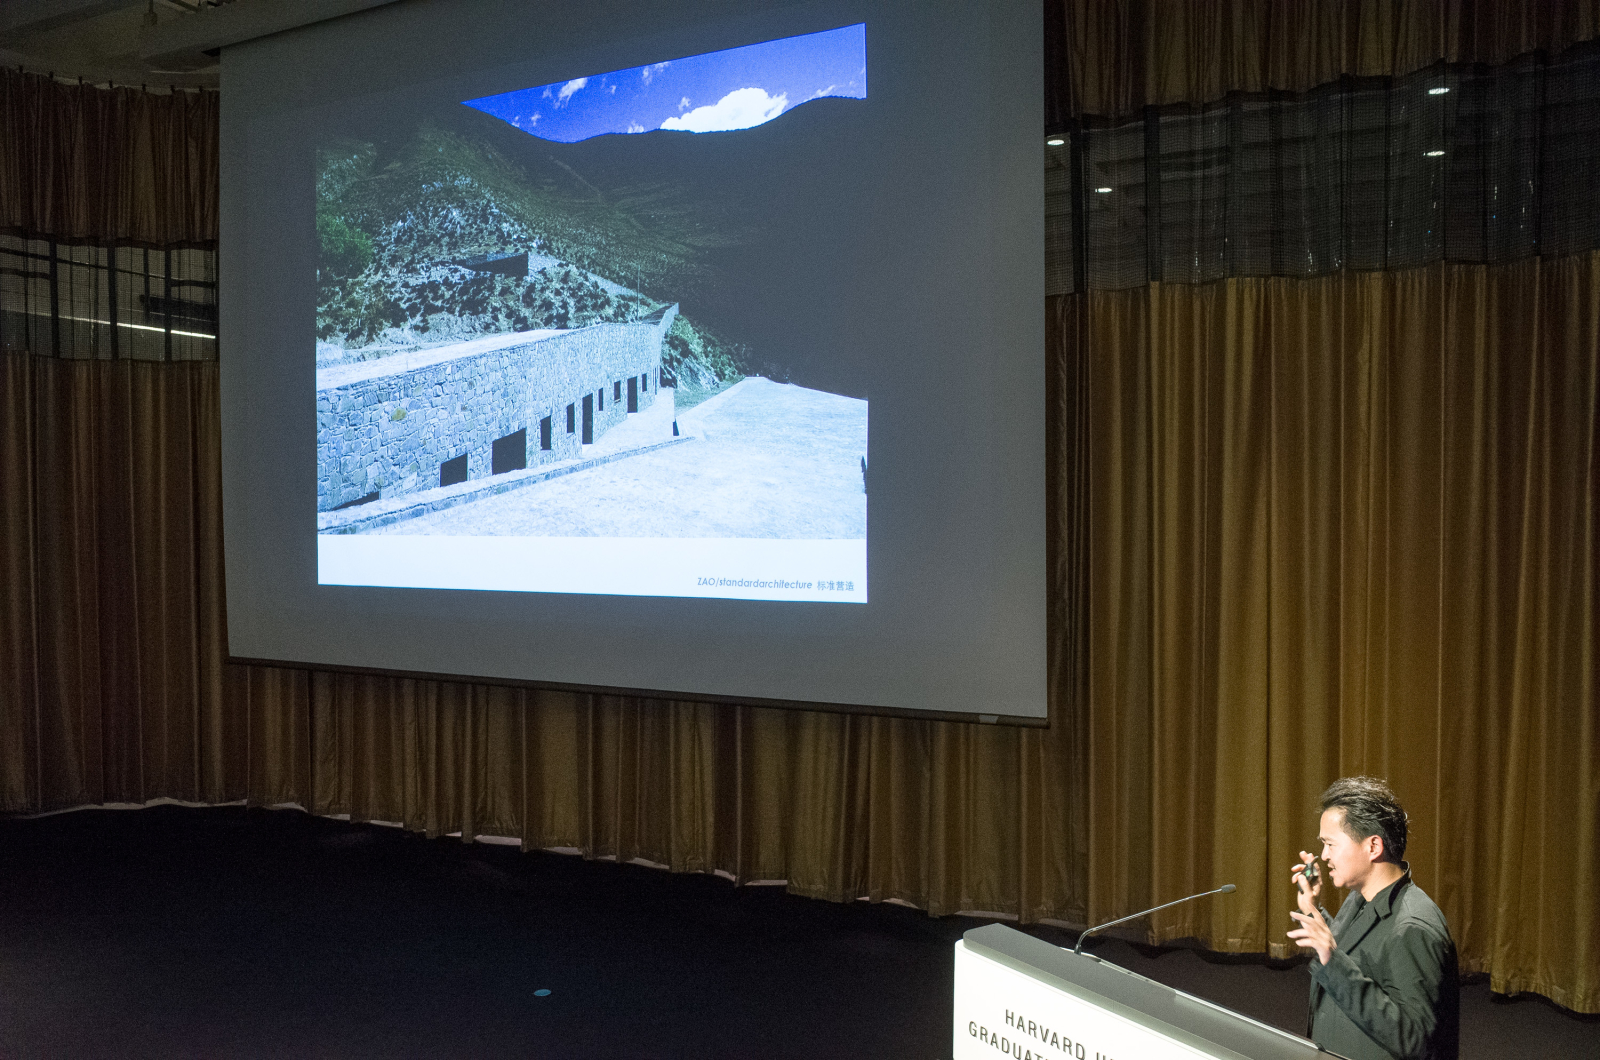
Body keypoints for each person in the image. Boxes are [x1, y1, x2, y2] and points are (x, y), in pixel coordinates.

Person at [1287, 776, 1459, 1060]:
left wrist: (1332, 959)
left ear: (1373, 847)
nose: (1323, 855)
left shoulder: (1413, 928)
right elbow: (1352, 952)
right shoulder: (1361, 897)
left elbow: (1416, 1041)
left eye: (1331, 844)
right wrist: (1311, 908)